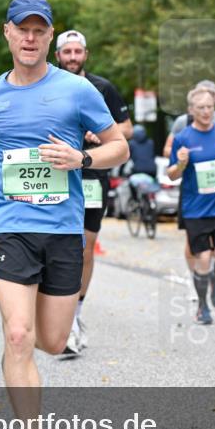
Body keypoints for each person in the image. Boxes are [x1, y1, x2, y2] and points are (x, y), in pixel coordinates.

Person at [0, 0, 128, 429]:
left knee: (51, 340)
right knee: (18, 334)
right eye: (21, 29)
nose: (30, 38)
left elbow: (119, 145)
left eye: (39, 30)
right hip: (11, 229)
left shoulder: (76, 91)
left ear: (51, 36)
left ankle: (29, 371)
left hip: (64, 233)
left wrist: (82, 160)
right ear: (6, 32)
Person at [54, 29, 132, 355]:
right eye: (67, 52)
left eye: (77, 52)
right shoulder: (48, 86)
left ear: (86, 54)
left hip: (92, 175)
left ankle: (75, 313)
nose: (72, 57)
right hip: (56, 176)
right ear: (57, 55)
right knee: (60, 246)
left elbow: (125, 128)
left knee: (85, 248)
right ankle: (62, 317)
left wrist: (101, 134)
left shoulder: (101, 88)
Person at [166, 84, 215, 325]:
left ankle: (214, 280)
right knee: (204, 258)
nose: (206, 112)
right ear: (191, 110)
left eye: (209, 107)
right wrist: (180, 164)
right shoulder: (183, 138)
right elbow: (171, 175)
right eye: (201, 108)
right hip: (196, 209)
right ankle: (203, 306)